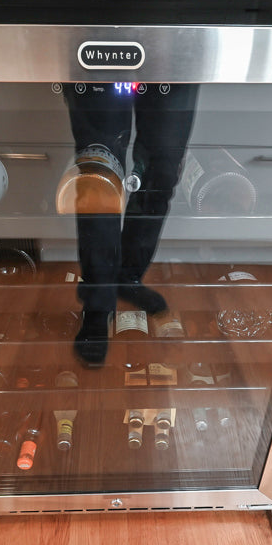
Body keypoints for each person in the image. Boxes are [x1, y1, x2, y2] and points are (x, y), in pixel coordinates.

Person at [61, 83, 198, 364]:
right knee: (99, 177)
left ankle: (127, 276)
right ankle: (98, 301)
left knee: (160, 173)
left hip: (173, 47)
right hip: (103, 45)